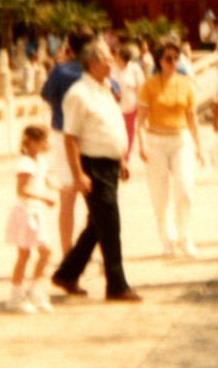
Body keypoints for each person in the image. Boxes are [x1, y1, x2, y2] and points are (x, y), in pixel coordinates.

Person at [50, 39, 142, 302]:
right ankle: (117, 284)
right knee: (110, 223)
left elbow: (111, 126)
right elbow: (70, 137)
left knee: (98, 225)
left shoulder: (105, 88)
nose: (111, 61)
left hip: (110, 163)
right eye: (106, 57)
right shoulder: (79, 94)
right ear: (92, 63)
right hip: (93, 165)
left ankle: (67, 273)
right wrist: (78, 174)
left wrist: (121, 159)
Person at [136, 36, 205, 256]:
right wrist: (141, 143)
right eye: (168, 58)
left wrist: (199, 146)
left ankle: (185, 237)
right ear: (159, 60)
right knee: (160, 194)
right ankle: (166, 239)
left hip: (180, 139)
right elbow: (140, 119)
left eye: (176, 58)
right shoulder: (149, 85)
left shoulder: (185, 84)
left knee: (185, 189)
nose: (173, 62)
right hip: (155, 140)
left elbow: (192, 118)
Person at [40, 26, 95, 256]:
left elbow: (45, 94)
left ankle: (67, 253)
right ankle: (102, 251)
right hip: (91, 133)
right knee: (96, 200)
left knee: (67, 197)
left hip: (63, 134)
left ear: (69, 46)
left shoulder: (60, 71)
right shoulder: (94, 68)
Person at [4, 125, 58, 313]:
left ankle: (35, 290)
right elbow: (21, 190)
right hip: (25, 213)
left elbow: (45, 180)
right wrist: (44, 198)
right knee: (25, 255)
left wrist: (63, 186)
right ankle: (15, 297)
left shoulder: (40, 161)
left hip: (36, 212)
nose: (47, 144)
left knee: (45, 251)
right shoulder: (25, 164)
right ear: (33, 142)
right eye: (44, 140)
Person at [111, 44, 145, 169]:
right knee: (116, 134)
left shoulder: (134, 69)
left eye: (117, 56)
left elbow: (141, 88)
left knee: (129, 134)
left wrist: (140, 107)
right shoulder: (112, 69)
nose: (114, 57)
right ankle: (117, 158)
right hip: (115, 109)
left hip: (131, 107)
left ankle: (126, 158)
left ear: (122, 58)